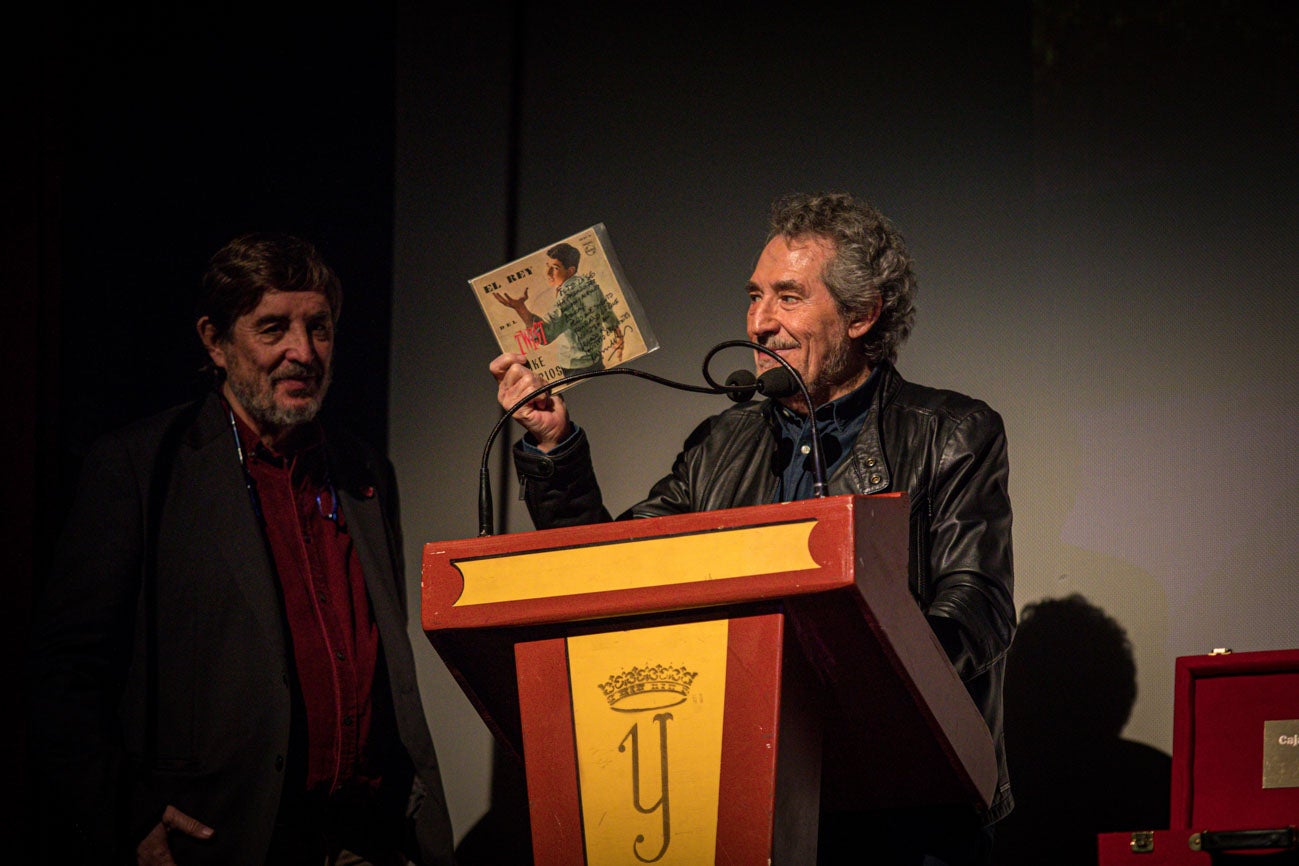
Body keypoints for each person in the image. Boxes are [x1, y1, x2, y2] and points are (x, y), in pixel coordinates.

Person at [489, 191, 1016, 865]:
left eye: (788, 298)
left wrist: (861, 688)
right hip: (737, 796)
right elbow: (613, 573)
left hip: (901, 813)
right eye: (754, 296)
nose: (760, 323)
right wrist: (553, 445)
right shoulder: (719, 442)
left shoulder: (950, 432)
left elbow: (976, 609)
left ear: (861, 314)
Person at [28, 233, 457, 865]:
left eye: (319, 328)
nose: (302, 352)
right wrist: (125, 812)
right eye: (273, 328)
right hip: (221, 839)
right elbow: (64, 671)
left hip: (361, 837)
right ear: (215, 341)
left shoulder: (364, 472)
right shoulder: (141, 467)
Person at [491, 240, 624, 374]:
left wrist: (521, 309)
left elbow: (544, 336)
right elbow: (606, 311)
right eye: (547, 266)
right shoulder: (589, 283)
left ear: (570, 271)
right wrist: (619, 337)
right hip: (596, 360)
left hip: (576, 368)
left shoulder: (565, 298)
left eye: (555, 268)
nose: (548, 273)